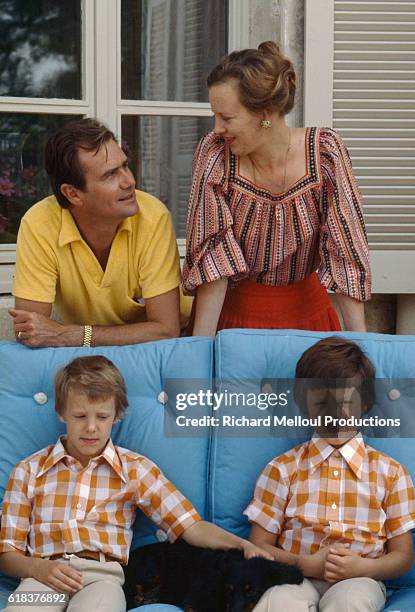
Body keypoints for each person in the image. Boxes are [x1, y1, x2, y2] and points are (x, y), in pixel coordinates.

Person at [0, 355, 269, 612]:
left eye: (102, 417)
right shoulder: (29, 470)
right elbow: (6, 554)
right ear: (61, 413)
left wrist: (242, 545)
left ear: (117, 416)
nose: (91, 427)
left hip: (102, 580)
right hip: (41, 576)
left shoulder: (135, 469)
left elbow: (191, 526)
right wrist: (37, 569)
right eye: (80, 416)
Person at [183, 42, 371, 335]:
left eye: (227, 118)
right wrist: (202, 352)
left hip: (311, 322)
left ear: (266, 113)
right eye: (215, 116)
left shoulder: (325, 154)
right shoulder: (216, 155)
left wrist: (362, 351)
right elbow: (214, 263)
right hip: (233, 326)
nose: (217, 128)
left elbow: (345, 254)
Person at [244, 337, 415, 611]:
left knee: (350, 602)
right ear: (304, 405)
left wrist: (364, 566)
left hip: (361, 577)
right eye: (322, 404)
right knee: (277, 602)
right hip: (295, 575)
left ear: (366, 402)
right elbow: (258, 547)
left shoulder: (392, 474)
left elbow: (403, 557)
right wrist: (305, 564)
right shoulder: (282, 469)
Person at [9, 118, 181, 348]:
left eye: (125, 166)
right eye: (110, 175)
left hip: (158, 349)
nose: (130, 181)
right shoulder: (39, 224)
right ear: (73, 194)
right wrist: (69, 336)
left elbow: (166, 330)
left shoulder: (152, 216)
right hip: (92, 355)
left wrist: (73, 335)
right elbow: (30, 333)